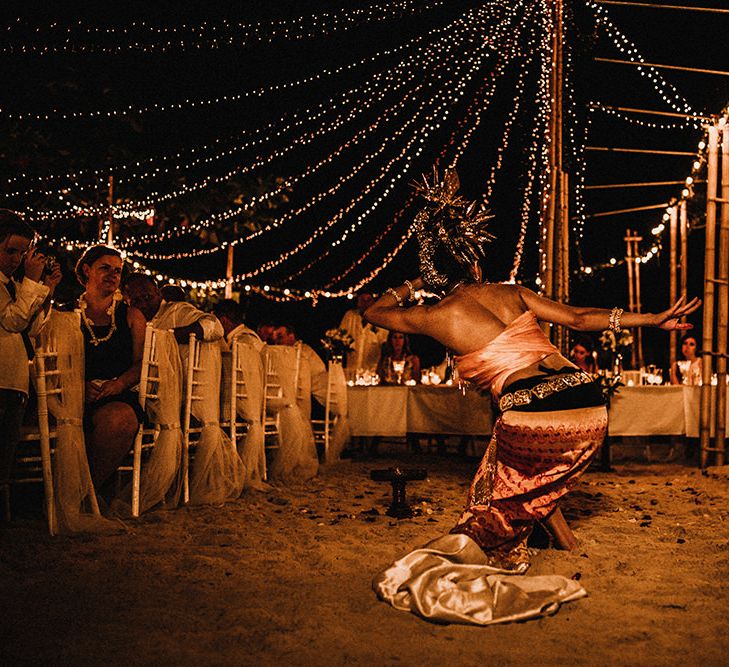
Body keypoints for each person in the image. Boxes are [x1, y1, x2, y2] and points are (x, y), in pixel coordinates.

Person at [364, 167, 700, 625]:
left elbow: (376, 311)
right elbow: (580, 319)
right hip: (588, 406)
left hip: (535, 416)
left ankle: (526, 539)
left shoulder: (433, 315)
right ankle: (566, 542)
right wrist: (651, 318)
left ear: (434, 272)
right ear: (474, 262)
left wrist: (412, 284)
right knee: (518, 464)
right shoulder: (511, 292)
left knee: (492, 489)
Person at [0, 211, 61, 520]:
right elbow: (13, 320)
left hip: (14, 381)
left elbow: (33, 328)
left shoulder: (13, 285)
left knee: (5, 455)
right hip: (2, 379)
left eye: (22, 253)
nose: (17, 259)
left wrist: (45, 289)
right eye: (11, 250)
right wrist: (31, 281)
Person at [75, 245, 147, 489]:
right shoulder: (69, 313)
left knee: (120, 420)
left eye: (117, 270)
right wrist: (77, 387)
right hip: (73, 393)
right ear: (87, 270)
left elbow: (141, 364)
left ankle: (87, 491)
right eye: (105, 268)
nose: (113, 275)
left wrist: (119, 384)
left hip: (116, 393)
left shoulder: (132, 315)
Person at [123, 273, 223, 344]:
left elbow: (214, 326)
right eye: (136, 301)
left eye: (147, 297)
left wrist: (167, 337)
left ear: (158, 294)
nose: (143, 305)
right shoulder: (128, 321)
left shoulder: (176, 310)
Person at [339, 291, 388, 372]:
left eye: (368, 300)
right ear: (358, 303)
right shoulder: (350, 316)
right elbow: (340, 338)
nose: (365, 303)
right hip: (351, 368)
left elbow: (385, 344)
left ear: (373, 302)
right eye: (362, 300)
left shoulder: (381, 320)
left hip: (372, 371)